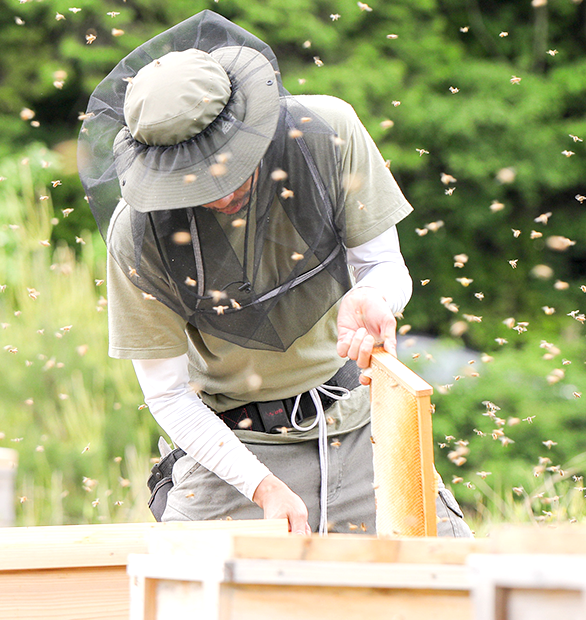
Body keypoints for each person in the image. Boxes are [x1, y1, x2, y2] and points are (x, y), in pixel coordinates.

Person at [78, 11, 471, 536]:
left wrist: (376, 296)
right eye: (193, 180)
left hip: (354, 424)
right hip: (231, 449)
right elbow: (168, 394)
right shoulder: (137, 233)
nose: (220, 192)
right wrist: (261, 486)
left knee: (450, 583)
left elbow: (384, 267)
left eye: (228, 165)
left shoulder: (328, 133)